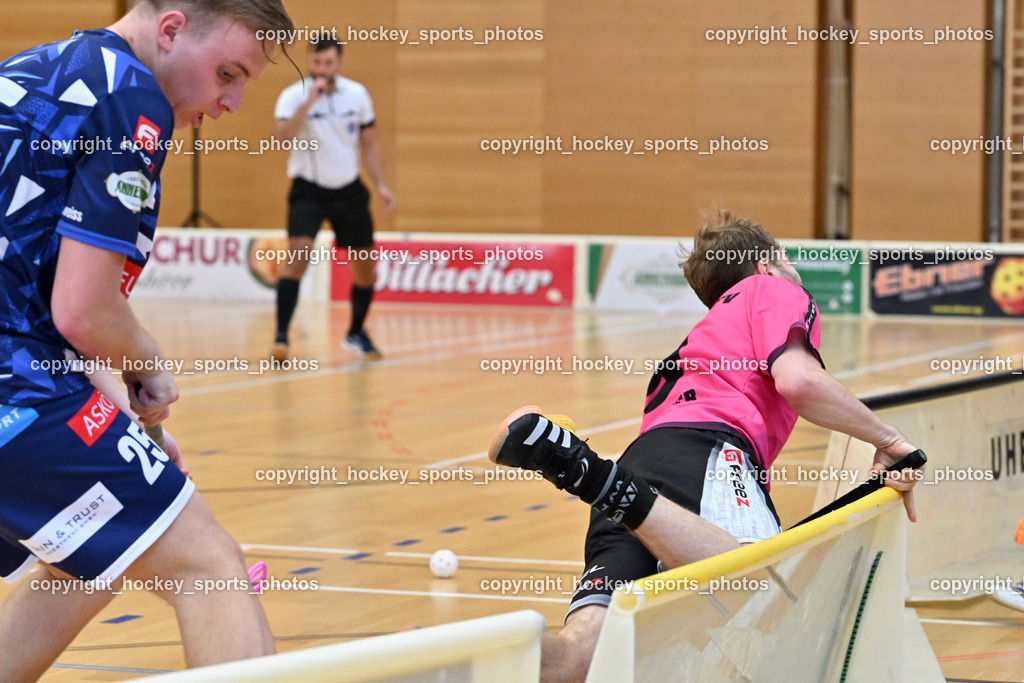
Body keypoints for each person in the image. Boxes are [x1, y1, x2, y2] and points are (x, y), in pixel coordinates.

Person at [488, 211, 924, 682]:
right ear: (765, 265)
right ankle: (591, 474)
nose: (793, 268)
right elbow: (799, 380)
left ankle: (456, 667)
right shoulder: (775, 291)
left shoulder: (707, 336)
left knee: (582, 657)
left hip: (652, 469)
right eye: (786, 258)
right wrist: (890, 439)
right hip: (709, 457)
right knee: (757, 590)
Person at [0, 0, 292, 677]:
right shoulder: (132, 96)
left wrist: (108, 399)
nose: (233, 102)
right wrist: (147, 365)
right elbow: (83, 310)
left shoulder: (33, 70)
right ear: (169, 31)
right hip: (14, 384)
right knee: (208, 562)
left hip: (23, 370)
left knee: (97, 547)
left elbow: (32, 288)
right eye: (227, 72)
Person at [270, 37, 396, 362]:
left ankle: (355, 332)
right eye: (316, 63)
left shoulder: (357, 95)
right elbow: (280, 139)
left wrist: (381, 184)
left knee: (365, 268)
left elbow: (370, 144)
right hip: (308, 189)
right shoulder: (293, 95)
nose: (322, 70)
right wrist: (307, 103)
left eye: (328, 63)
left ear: (338, 62)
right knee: (297, 259)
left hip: (348, 189)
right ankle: (281, 337)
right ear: (309, 62)